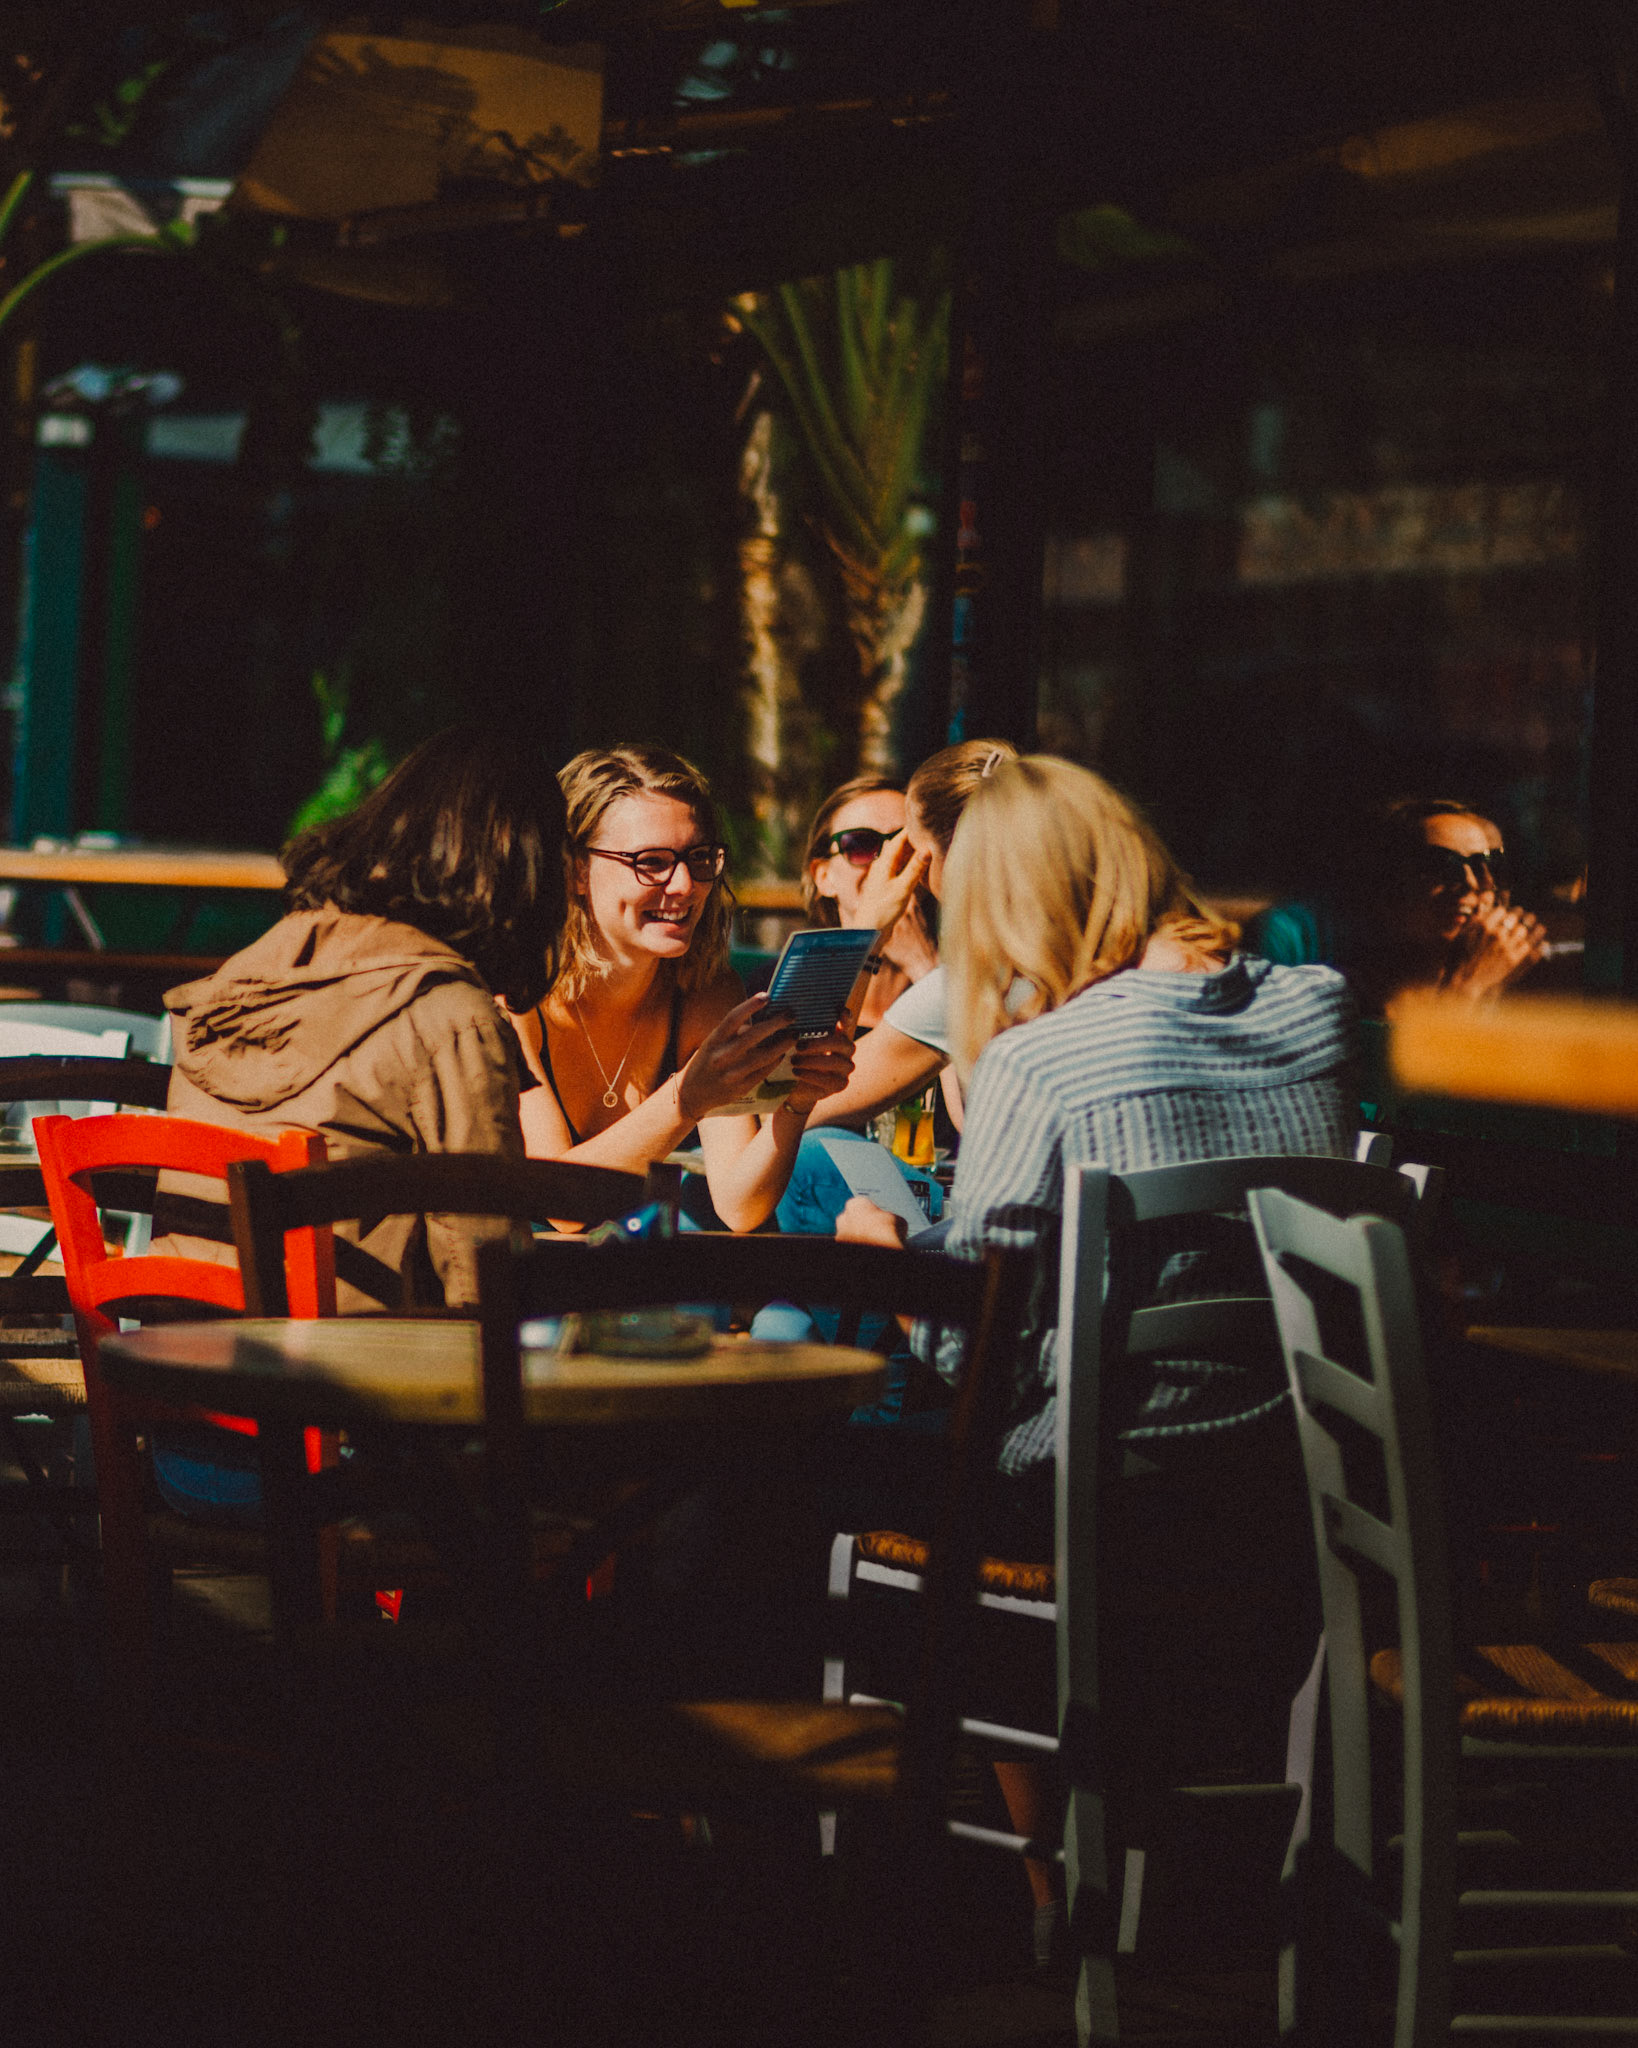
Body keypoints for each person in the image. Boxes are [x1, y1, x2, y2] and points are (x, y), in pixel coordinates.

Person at [835, 755, 1355, 1946]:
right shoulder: (1318, 1008)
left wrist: (887, 1251)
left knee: (860, 1447)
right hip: (1283, 1488)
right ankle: (1142, 1854)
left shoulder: (1044, 1060)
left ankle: (1047, 1885)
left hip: (1099, 1496)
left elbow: (976, 1355)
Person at [155, 725, 569, 1515]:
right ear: (523, 874)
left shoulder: (241, 979)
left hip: (184, 1429)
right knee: (648, 1468)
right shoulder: (445, 1013)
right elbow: (486, 1270)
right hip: (344, 1448)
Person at [506, 745, 853, 1232]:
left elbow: (739, 1205)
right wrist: (686, 1099)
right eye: (651, 862)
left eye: (699, 857)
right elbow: (564, 1206)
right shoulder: (518, 999)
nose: (685, 885)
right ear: (575, 870)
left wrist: (795, 1102)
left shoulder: (704, 994)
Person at [805, 737, 1020, 1137]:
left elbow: (797, 1106)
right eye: (861, 845)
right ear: (823, 875)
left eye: (906, 844)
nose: (891, 863)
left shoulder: (960, 981)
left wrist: (921, 965)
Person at [1250, 796, 1548, 1014]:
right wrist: (1468, 986)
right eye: (1441, 865)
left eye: (1487, 864)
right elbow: (1415, 1088)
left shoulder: (1515, 975)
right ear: (1388, 889)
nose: (1473, 883)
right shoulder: (1341, 995)